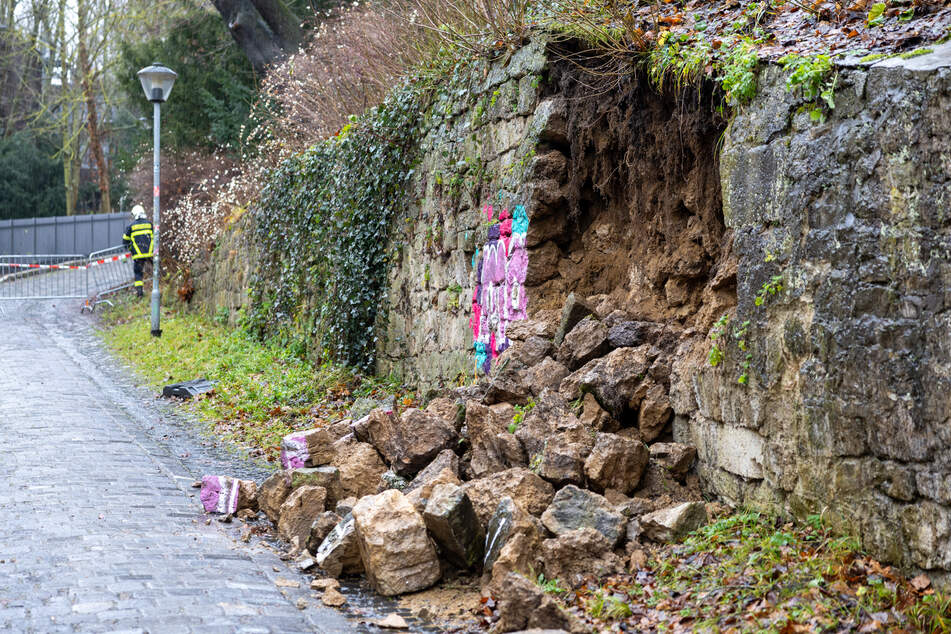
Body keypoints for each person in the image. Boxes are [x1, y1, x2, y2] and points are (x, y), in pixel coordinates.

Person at [122, 205, 153, 298]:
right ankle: (163, 284)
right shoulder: (150, 224)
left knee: (138, 274)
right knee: (156, 270)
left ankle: (139, 293)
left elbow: (124, 241)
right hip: (151, 254)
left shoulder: (131, 226)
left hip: (138, 256)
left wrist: (130, 248)